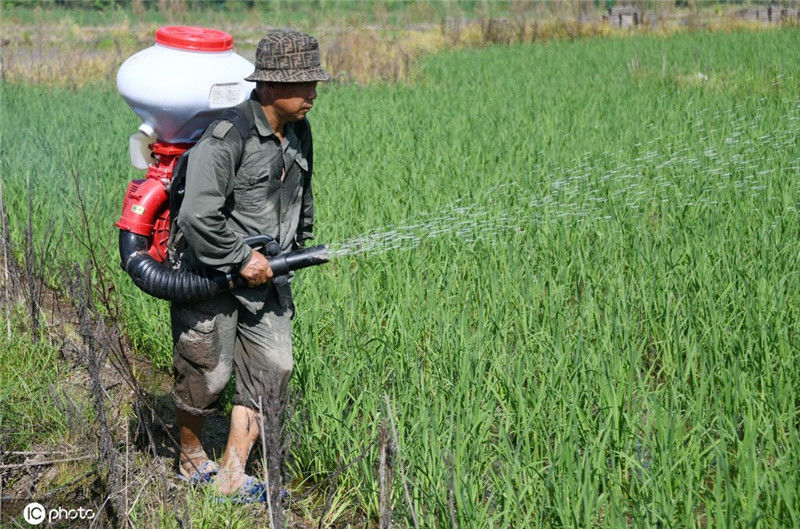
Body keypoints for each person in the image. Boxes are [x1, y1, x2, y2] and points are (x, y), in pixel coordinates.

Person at [169, 29, 330, 502]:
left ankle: (232, 474)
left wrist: (297, 246)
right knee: (207, 376)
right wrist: (241, 258)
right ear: (273, 87)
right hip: (211, 274)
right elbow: (196, 215)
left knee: (273, 369)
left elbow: (302, 195)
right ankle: (190, 457)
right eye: (307, 86)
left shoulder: (299, 130)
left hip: (270, 277)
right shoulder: (227, 137)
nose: (314, 96)